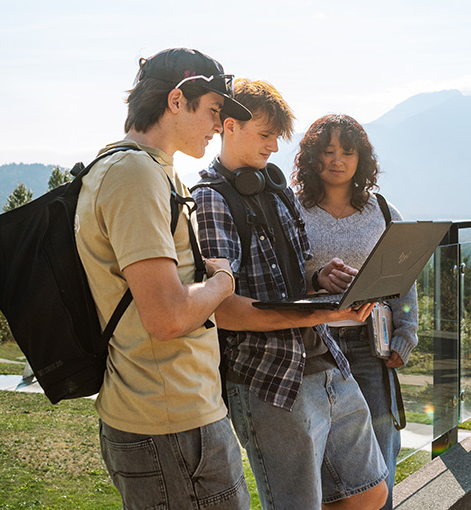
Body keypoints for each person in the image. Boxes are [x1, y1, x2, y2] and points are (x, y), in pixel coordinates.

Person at [193, 81, 388, 510]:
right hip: (270, 380)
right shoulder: (209, 201)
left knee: (370, 493)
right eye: (265, 136)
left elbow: (294, 277)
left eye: (277, 138)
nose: (273, 148)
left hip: (325, 359)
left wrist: (322, 279)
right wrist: (317, 316)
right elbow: (224, 310)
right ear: (229, 126)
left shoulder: (277, 191)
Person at [75, 48, 251, 510]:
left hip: (175, 413)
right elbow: (167, 316)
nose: (219, 126)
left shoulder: (148, 169)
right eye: (214, 110)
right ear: (177, 100)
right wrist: (221, 282)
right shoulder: (134, 174)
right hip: (171, 422)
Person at [292, 115, 416, 510]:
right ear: (312, 158)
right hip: (314, 347)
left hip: (369, 346)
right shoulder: (292, 210)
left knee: (380, 457)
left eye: (347, 151)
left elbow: (404, 277)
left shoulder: (381, 209)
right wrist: (315, 277)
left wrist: (406, 332)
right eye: (327, 151)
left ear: (361, 158)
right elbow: (280, 273)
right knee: (322, 461)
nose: (337, 160)